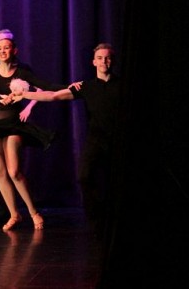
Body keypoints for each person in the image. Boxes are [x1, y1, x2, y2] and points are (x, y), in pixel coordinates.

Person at [7, 43, 120, 238]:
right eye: (100, 58)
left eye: (107, 58)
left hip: (118, 140)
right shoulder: (86, 87)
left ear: (113, 61)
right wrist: (24, 94)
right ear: (94, 62)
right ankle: (97, 222)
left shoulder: (122, 86)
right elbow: (53, 96)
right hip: (96, 139)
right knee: (84, 176)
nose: (104, 61)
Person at [0, 33, 59, 231]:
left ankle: (34, 212)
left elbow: (44, 86)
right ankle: (14, 214)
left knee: (13, 171)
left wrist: (69, 88)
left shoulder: (21, 72)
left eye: (6, 47)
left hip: (12, 126)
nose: (2, 51)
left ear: (14, 50)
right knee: (0, 172)